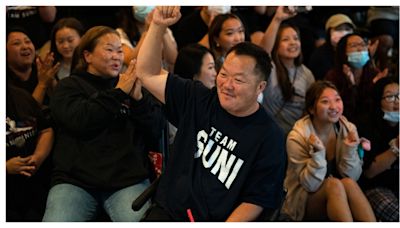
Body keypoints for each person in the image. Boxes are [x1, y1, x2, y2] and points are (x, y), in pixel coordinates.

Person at [136, 6, 286, 222]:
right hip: (167, 213)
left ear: (260, 87)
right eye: (223, 74)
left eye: (239, 80)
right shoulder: (199, 98)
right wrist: (158, 26)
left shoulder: (270, 137)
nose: (227, 85)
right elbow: (147, 72)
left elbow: (257, 199)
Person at [42, 26, 166, 222]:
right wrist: (118, 94)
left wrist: (139, 100)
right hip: (75, 182)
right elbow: (80, 121)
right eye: (109, 49)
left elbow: (155, 131)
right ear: (88, 56)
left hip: (127, 180)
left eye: (119, 50)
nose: (117, 56)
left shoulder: (131, 86)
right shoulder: (69, 86)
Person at [281, 80, 376, 221]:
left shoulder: (348, 129)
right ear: (311, 109)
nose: (334, 107)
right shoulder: (297, 137)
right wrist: (318, 155)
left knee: (348, 182)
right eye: (325, 102)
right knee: (334, 184)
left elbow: (353, 176)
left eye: (337, 100)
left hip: (338, 197)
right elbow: (310, 185)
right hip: (302, 200)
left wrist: (350, 149)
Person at [259, 6, 315, 136]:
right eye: (285, 39)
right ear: (276, 45)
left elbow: (311, 109)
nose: (293, 43)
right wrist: (277, 19)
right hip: (266, 133)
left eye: (296, 38)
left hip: (295, 137)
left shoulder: (307, 74)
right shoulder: (269, 68)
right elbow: (262, 53)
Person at [6, 84, 54, 221]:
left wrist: (38, 156)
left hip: (36, 186)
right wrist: (5, 168)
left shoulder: (20, 95)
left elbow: (45, 130)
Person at [358, 76, 399, 221]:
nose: (397, 102)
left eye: (399, 95)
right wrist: (396, 148)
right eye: (390, 97)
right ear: (378, 101)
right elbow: (369, 172)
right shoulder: (366, 126)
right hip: (375, 187)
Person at [325, 32, 387, 125]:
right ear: (343, 52)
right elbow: (341, 110)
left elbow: (372, 109)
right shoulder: (333, 76)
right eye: (353, 45)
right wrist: (351, 86)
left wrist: (374, 85)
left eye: (363, 45)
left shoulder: (374, 74)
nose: (360, 49)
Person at [6, 26, 60, 106]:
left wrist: (51, 81)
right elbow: (26, 114)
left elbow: (62, 102)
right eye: (16, 43)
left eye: (28, 42)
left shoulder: (42, 71)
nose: (25, 47)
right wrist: (42, 84)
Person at [308, 13, 355, 81]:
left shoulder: (355, 53)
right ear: (328, 32)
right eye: (339, 29)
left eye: (347, 29)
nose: (344, 33)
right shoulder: (319, 56)